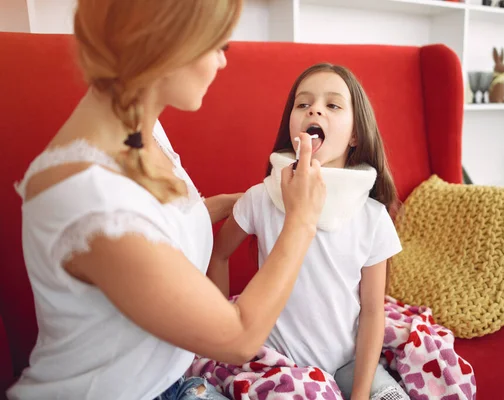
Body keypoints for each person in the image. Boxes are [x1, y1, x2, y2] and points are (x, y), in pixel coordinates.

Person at [7, 1, 326, 399]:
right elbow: (240, 336)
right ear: (170, 43)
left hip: (173, 382)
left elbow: (159, 229)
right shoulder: (90, 200)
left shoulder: (139, 128)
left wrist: (239, 202)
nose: (222, 63)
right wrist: (302, 221)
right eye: (219, 47)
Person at [207, 63, 408, 400]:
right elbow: (219, 253)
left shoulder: (373, 217)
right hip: (276, 365)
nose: (314, 109)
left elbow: (374, 311)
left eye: (332, 105)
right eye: (303, 104)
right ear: (292, 126)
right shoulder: (262, 198)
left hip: (349, 364)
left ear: (356, 135)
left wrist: (360, 394)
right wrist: (224, 331)